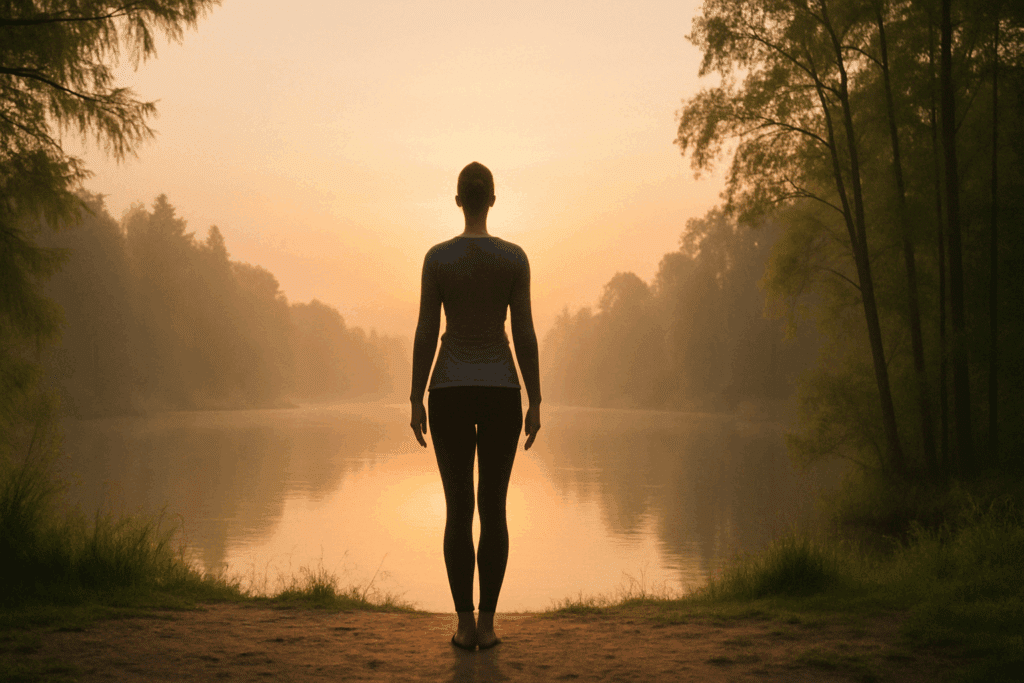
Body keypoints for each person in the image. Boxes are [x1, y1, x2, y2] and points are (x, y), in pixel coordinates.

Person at [410, 162, 542, 652]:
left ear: (459, 199)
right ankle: (487, 624)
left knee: (458, 510)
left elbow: (427, 331)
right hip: (501, 390)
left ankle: (464, 624)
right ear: (492, 199)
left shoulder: (437, 259)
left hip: (447, 390)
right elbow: (523, 332)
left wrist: (414, 395)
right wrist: (535, 396)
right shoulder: (514, 259)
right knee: (494, 508)